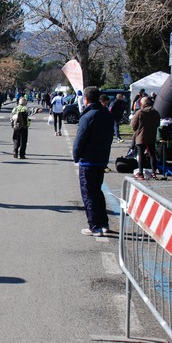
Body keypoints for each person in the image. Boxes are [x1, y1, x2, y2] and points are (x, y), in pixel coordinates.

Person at [73, 86, 114, 237]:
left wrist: (76, 155)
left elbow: (80, 138)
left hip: (88, 160)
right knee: (97, 191)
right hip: (101, 158)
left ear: (86, 99)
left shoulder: (88, 115)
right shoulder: (106, 114)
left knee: (89, 194)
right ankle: (104, 223)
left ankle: (94, 226)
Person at [130, 96, 161, 180]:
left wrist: (137, 130)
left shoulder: (140, 112)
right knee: (152, 154)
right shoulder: (156, 112)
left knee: (141, 155)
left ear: (142, 103)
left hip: (141, 136)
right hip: (152, 135)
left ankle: (140, 173)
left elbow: (133, 125)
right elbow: (158, 124)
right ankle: (154, 172)